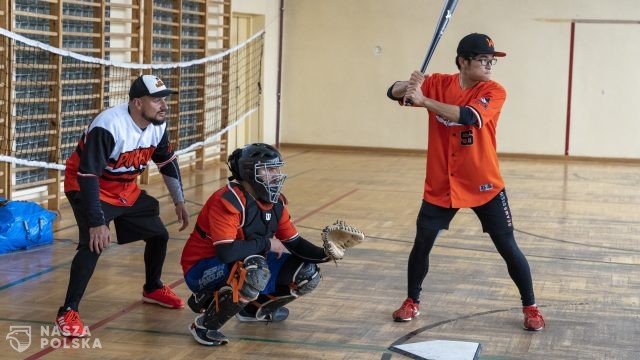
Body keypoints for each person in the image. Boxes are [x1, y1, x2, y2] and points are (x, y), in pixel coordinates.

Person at [386, 33, 545, 331]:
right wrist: (406, 87)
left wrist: (424, 100)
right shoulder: (438, 83)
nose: (489, 65)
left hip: (484, 184)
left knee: (508, 246)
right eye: (483, 60)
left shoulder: (494, 90)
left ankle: (531, 306)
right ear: (463, 61)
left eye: (491, 61)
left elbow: (470, 116)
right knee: (421, 244)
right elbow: (390, 92)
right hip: (441, 184)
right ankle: (412, 301)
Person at [56, 75, 190, 337]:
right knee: (93, 244)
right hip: (87, 186)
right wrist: (96, 221)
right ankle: (68, 311)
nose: (164, 106)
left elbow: (166, 163)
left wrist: (179, 200)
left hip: (124, 189)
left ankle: (152, 287)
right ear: (138, 103)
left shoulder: (157, 125)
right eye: (156, 100)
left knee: (159, 234)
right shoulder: (109, 126)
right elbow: (87, 175)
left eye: (165, 100)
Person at [181, 143, 337, 346]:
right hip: (201, 268)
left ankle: (251, 309)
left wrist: (328, 253)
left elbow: (295, 243)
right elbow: (226, 252)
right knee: (253, 270)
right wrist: (267, 243)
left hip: (243, 260)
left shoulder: (276, 203)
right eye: (269, 169)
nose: (276, 174)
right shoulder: (227, 200)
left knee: (309, 274)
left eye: (276, 169)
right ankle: (204, 325)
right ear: (249, 173)